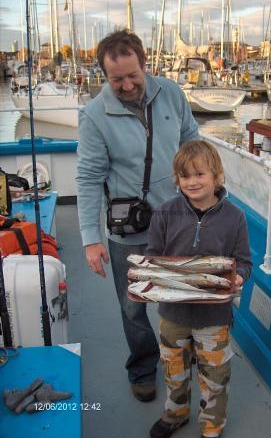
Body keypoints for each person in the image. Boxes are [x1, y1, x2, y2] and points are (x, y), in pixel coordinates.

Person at [76, 29, 199, 403]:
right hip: (127, 231)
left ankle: (180, 356)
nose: (127, 85)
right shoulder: (94, 115)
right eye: (117, 79)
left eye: (133, 75)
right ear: (104, 76)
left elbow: (191, 140)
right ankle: (143, 367)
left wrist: (205, 188)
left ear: (145, 66)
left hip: (177, 221)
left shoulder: (172, 93)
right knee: (134, 306)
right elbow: (88, 177)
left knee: (179, 296)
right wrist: (91, 239)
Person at [146, 140, 252, 438]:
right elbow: (153, 255)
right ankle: (175, 414)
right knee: (173, 369)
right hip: (173, 314)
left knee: (215, 375)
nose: (191, 182)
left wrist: (238, 277)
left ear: (216, 175)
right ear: (177, 180)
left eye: (199, 174)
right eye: (184, 176)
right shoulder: (164, 213)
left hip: (214, 317)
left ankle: (212, 426)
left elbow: (244, 262)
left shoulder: (235, 217)